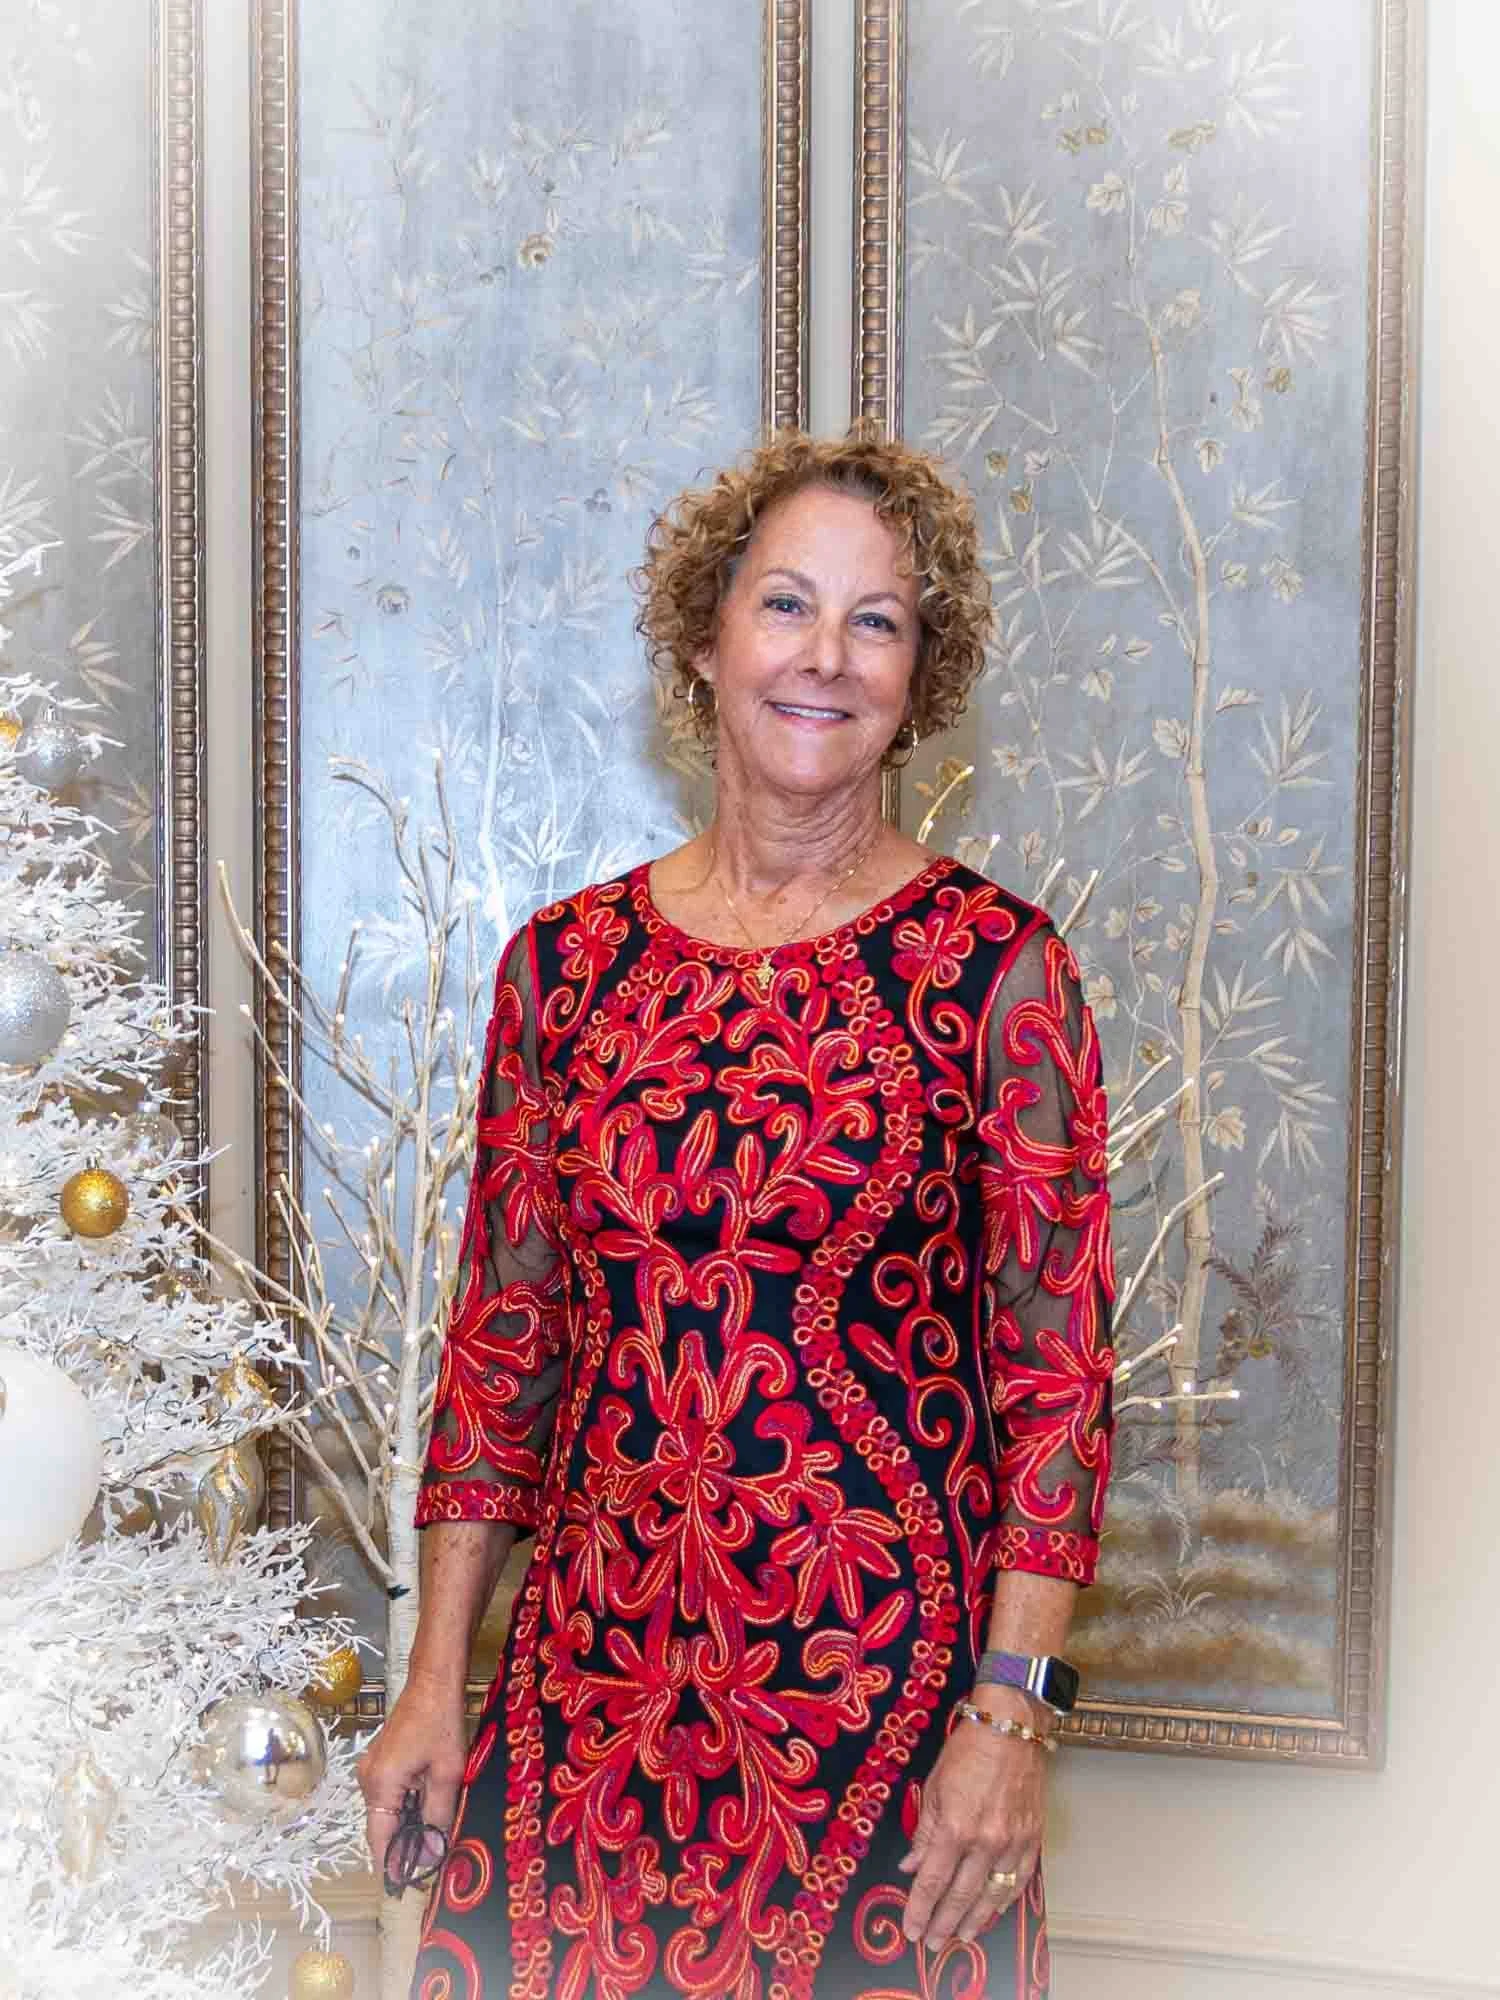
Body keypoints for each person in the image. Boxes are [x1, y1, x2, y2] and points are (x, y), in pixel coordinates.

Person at [358, 428, 1116, 2000]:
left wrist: (1011, 1713)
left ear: (925, 676)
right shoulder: (562, 972)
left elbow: (1060, 1388)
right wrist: (437, 1682)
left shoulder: (999, 971)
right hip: (584, 1699)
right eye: (786, 605)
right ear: (705, 640)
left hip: (885, 1725)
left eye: (878, 621)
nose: (824, 658)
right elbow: (502, 1355)